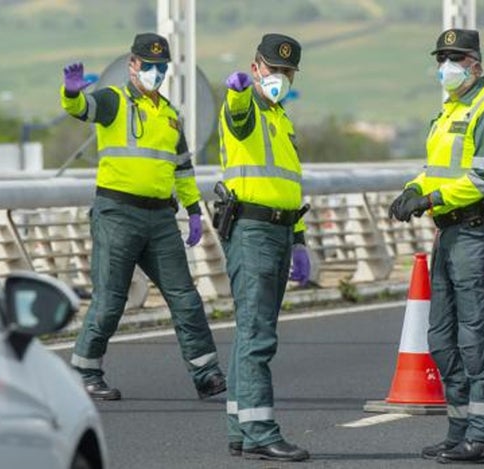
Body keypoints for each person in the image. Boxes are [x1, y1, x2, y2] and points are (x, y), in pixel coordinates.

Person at [59, 32, 226, 401]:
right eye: (147, 65)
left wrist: (195, 209)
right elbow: (81, 108)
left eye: (160, 67)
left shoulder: (169, 115)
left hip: (161, 219)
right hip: (117, 213)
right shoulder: (113, 100)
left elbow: (182, 168)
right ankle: (85, 371)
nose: (154, 72)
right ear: (132, 64)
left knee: (185, 295)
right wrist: (71, 93)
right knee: (110, 298)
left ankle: (206, 373)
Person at [389, 28, 484, 464]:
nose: (447, 66)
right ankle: (460, 428)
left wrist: (431, 200)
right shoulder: (449, 111)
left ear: (476, 65)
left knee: (477, 336)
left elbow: (483, 178)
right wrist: (412, 189)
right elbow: (436, 169)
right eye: (442, 58)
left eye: (456, 58)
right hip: (451, 232)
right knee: (442, 337)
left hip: (479, 231)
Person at [217, 33, 312, 462]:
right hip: (252, 230)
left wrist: (300, 240)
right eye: (273, 69)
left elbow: (288, 185)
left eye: (287, 72)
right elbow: (237, 118)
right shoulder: (247, 105)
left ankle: (240, 425)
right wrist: (237, 93)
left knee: (249, 334)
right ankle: (260, 430)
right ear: (256, 67)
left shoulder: (281, 117)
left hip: (278, 230)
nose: (280, 77)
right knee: (258, 335)